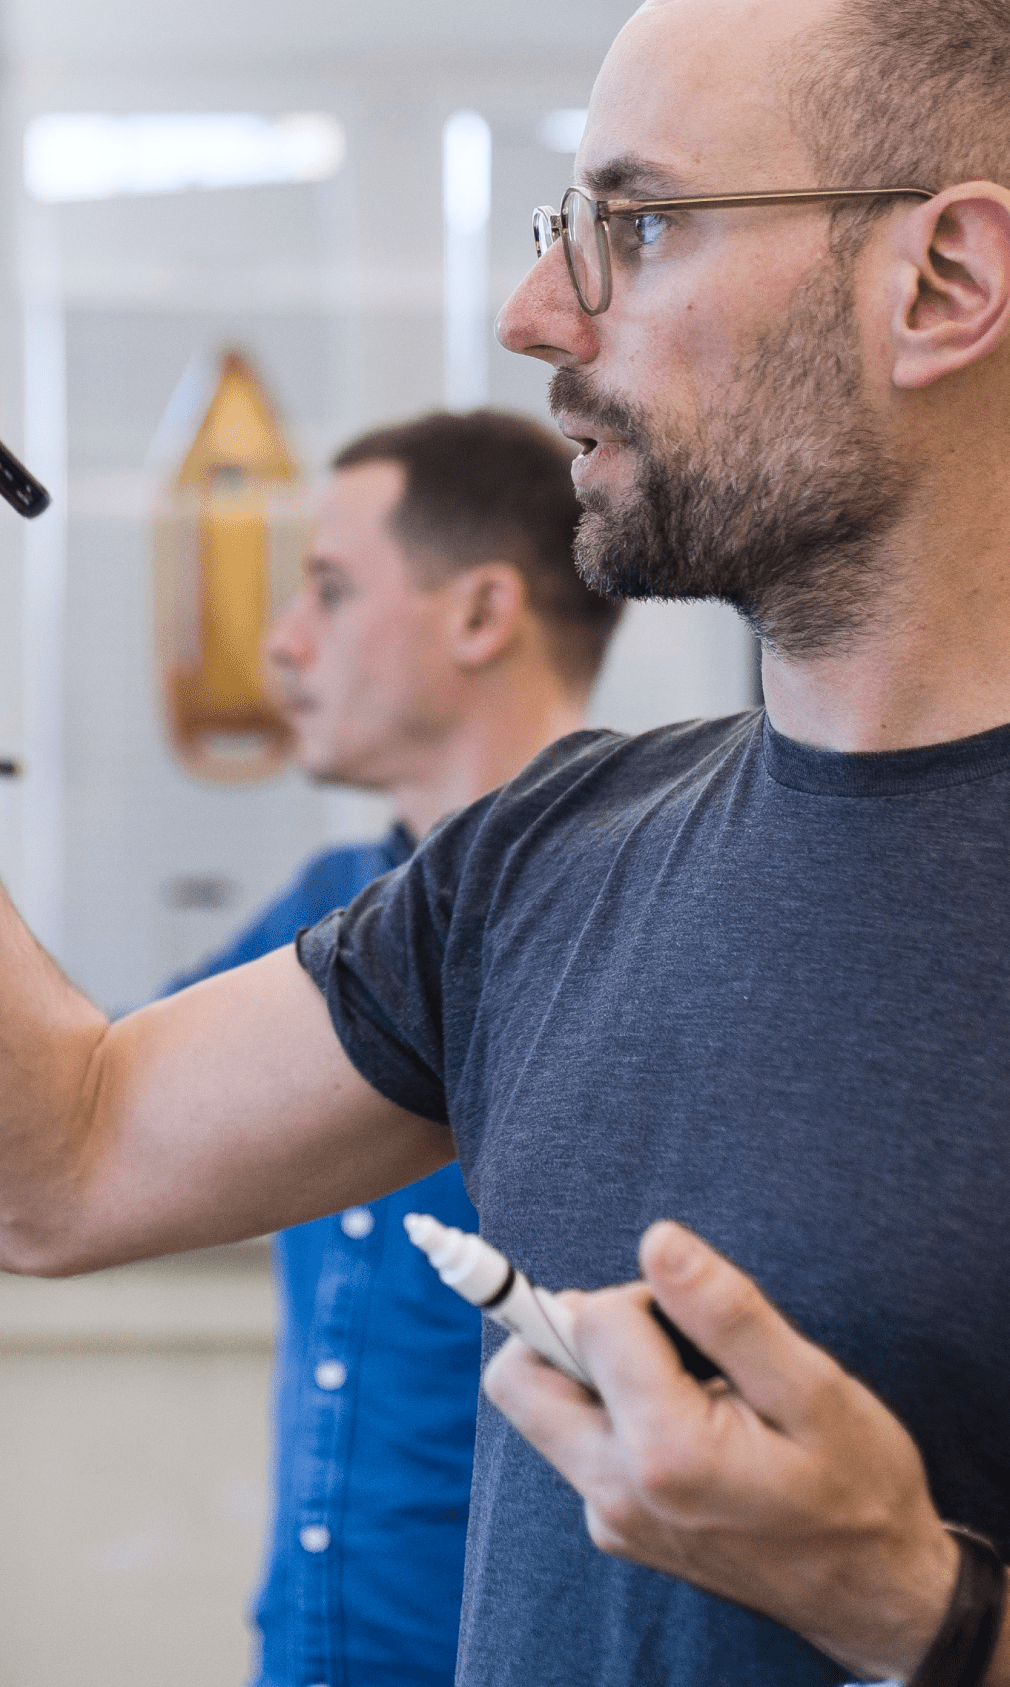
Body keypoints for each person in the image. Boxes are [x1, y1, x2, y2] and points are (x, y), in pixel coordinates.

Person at [0, 0, 1010, 1685]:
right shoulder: (546, 865)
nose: (535, 317)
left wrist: (929, 1611)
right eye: (559, 234)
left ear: (945, 283)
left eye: (637, 227)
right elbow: (40, 1167)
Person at [163, 410, 621, 1687]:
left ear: (480, 616)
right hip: (314, 1650)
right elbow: (68, 1120)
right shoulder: (319, 907)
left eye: (329, 590)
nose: (280, 644)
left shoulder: (641, 915)